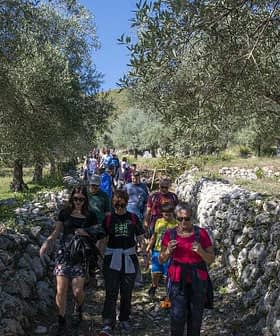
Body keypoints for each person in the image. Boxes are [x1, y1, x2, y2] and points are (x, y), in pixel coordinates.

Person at [39, 186, 104, 335]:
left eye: (81, 199)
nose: (78, 202)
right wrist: (47, 243)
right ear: (72, 198)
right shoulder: (64, 213)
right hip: (63, 253)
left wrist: (86, 232)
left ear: (85, 200)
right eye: (76, 198)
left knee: (77, 291)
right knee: (61, 290)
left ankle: (79, 308)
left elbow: (98, 233)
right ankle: (61, 320)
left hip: (80, 255)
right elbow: (56, 232)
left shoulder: (91, 215)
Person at [159, 202, 215, 336]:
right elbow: (161, 259)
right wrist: (167, 251)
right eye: (180, 219)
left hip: (198, 280)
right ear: (176, 218)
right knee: (177, 318)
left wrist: (201, 251)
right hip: (177, 280)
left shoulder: (201, 234)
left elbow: (211, 259)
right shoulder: (169, 234)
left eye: (187, 219)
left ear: (192, 217)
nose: (183, 222)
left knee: (195, 319)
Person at [99, 189, 146, 336]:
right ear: (113, 203)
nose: (119, 207)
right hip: (112, 257)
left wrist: (145, 255)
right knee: (111, 292)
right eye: (116, 204)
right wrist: (100, 258)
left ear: (126, 203)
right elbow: (103, 240)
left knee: (126, 291)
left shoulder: (133, 218)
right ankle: (108, 324)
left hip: (129, 257)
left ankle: (124, 318)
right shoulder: (108, 219)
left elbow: (140, 237)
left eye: (122, 204)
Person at [146, 203, 177, 298]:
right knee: (155, 271)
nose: (167, 216)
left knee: (166, 273)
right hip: (157, 249)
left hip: (168, 252)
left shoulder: (176, 224)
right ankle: (154, 286)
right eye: (165, 214)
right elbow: (154, 236)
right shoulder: (158, 221)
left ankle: (167, 292)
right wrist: (149, 247)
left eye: (169, 214)